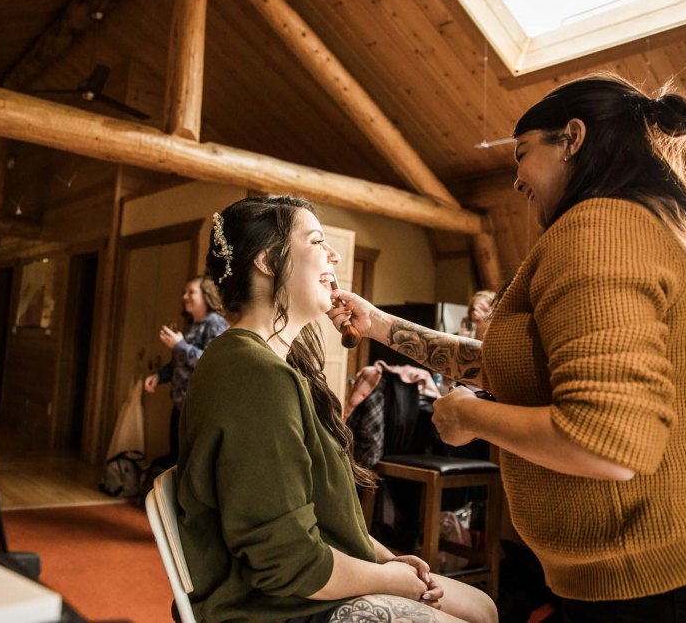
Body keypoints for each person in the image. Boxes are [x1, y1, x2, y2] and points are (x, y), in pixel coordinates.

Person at [329, 74, 686, 622]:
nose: (516, 181)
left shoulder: (597, 231)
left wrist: (469, 414)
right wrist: (378, 324)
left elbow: (606, 444)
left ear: (572, 137)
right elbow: (515, 366)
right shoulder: (659, 226)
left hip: (655, 594)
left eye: (522, 153)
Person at [176, 197, 497, 623]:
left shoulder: (271, 363)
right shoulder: (251, 373)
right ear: (268, 261)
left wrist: (387, 557)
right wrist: (391, 579)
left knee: (484, 606)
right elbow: (287, 563)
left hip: (299, 585)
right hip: (273, 608)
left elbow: (325, 517)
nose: (335, 254)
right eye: (317, 240)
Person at [143, 275, 228, 466]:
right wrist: (159, 376)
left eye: (191, 292)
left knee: (190, 463)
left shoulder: (216, 324)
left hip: (199, 408)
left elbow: (212, 363)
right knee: (176, 459)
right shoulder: (190, 326)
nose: (185, 296)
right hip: (180, 404)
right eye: (184, 292)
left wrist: (180, 345)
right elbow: (177, 364)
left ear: (206, 295)